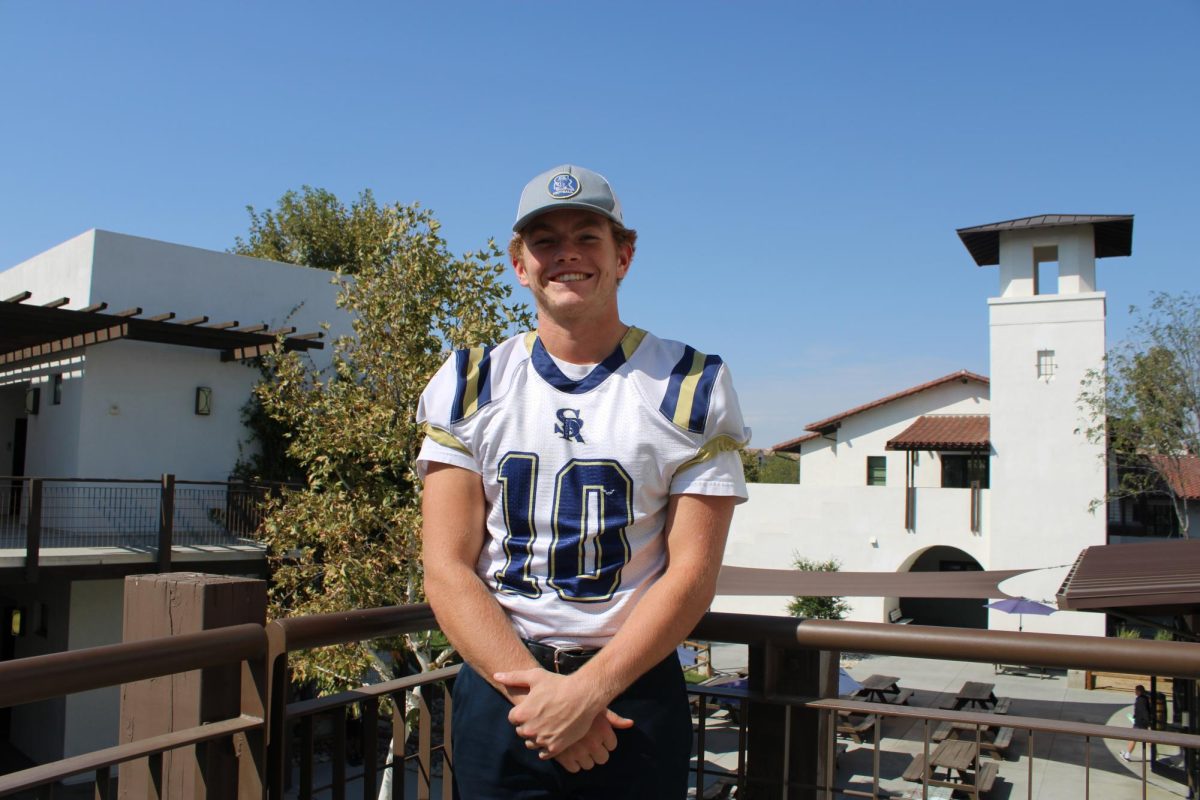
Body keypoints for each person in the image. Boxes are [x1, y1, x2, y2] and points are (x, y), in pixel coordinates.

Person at [417, 164, 749, 798]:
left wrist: (588, 693)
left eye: (587, 236)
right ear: (520, 264)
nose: (566, 253)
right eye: (544, 240)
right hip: (503, 683)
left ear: (623, 255)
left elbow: (692, 573)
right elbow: (445, 567)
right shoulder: (470, 381)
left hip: (631, 687)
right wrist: (542, 695)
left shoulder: (689, 384)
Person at [1123, 684, 1153, 761]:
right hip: (1142, 722)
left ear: (1139, 691)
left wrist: (1148, 723)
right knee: (1148, 739)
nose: (1135, 692)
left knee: (1133, 738)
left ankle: (1127, 755)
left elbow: (1144, 712)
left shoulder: (1140, 700)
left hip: (1140, 723)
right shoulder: (1145, 698)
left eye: (1136, 690)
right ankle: (1154, 754)